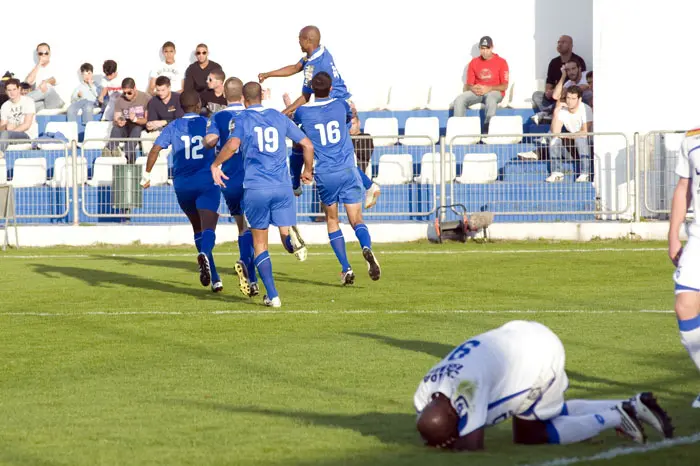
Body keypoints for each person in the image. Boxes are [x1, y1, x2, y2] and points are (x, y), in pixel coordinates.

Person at [414, 320, 674, 451]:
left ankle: (617, 416)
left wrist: (447, 443)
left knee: (531, 434)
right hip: (520, 335)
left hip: (539, 354)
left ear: (453, 412)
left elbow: (471, 444)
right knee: (551, 416)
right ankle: (629, 405)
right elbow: (431, 422)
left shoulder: (469, 390)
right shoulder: (424, 391)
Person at [211, 82, 314, 307]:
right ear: (262, 97)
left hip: (257, 187)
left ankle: (273, 296)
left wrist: (216, 164)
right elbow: (307, 144)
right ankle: (290, 240)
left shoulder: (242, 119)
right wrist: (307, 170)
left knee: (260, 245)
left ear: (245, 101)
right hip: (283, 186)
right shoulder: (278, 117)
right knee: (283, 232)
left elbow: (232, 144)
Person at [258, 25, 380, 209]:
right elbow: (296, 67)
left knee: (324, 152)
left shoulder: (314, 65)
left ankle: (368, 186)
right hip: (337, 106)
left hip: (335, 108)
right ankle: (296, 183)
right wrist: (269, 74)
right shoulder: (321, 52)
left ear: (307, 41)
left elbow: (305, 96)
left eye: (300, 38)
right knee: (302, 140)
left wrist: (285, 112)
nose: (298, 41)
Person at [293, 72, 381, 284]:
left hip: (326, 173)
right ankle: (366, 247)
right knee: (356, 220)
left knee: (333, 220)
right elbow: (349, 123)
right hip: (348, 170)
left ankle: (346, 268)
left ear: (312, 90)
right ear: (331, 88)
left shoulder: (303, 112)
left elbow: (299, 135)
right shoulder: (341, 105)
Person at [140, 90, 223, 292]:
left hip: (182, 184)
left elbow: (154, 150)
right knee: (209, 226)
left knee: (197, 228)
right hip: (205, 180)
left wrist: (147, 175)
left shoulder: (174, 125)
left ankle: (215, 279)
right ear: (198, 105)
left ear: (181, 107)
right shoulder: (208, 123)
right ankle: (204, 255)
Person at [204, 77, 258, 298]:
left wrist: (214, 142)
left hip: (229, 179)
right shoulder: (253, 115)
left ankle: (249, 272)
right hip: (254, 178)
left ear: (225, 95)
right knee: (257, 229)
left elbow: (209, 140)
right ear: (243, 96)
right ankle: (250, 272)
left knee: (241, 226)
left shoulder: (218, 116)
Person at [668, 126, 700, 408]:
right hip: (699, 237)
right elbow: (683, 188)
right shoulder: (692, 139)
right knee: (685, 305)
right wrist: (672, 235)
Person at [452, 36, 509, 132]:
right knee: (459, 99)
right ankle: (459, 133)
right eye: (482, 48)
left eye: (487, 48)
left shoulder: (502, 62)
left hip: (494, 91)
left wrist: (489, 88)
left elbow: (504, 86)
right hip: (478, 91)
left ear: (492, 47)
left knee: (491, 99)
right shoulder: (474, 62)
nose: (485, 51)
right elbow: (468, 85)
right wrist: (473, 88)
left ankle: (487, 132)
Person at [545, 86, 593, 183]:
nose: (570, 101)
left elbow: (585, 132)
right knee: (554, 139)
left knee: (580, 138)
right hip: (571, 147)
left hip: (587, 148)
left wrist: (564, 136)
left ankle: (585, 174)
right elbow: (555, 132)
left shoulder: (585, 109)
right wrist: (556, 112)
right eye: (568, 98)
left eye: (573, 98)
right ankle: (557, 173)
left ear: (579, 99)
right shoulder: (563, 110)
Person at [105, 78, 150, 162]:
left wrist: (135, 119)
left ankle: (131, 165)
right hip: (125, 125)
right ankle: (110, 150)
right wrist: (119, 121)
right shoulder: (120, 100)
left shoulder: (145, 98)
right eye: (124, 92)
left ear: (135, 88)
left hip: (139, 125)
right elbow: (116, 118)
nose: (126, 95)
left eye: (129, 92)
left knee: (135, 132)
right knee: (116, 128)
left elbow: (147, 120)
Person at [0, 78, 37, 157]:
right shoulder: (5, 106)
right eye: (9, 90)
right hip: (8, 136)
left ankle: (0, 153)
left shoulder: (28, 101)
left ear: (19, 89)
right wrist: (6, 126)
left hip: (27, 136)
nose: (12, 92)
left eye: (14, 89)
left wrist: (11, 131)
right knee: (5, 133)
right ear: (6, 91)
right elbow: (2, 127)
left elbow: (27, 125)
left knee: (6, 133)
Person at [25, 42, 65, 111]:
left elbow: (55, 79)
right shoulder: (36, 68)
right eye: (40, 53)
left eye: (46, 53)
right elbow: (28, 82)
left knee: (48, 88)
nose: (43, 55)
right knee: (27, 108)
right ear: (37, 55)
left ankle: (20, 100)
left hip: (56, 101)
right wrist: (39, 64)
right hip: (43, 102)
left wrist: (45, 82)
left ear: (50, 54)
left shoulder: (57, 66)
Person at [67, 63, 99, 135]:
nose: (87, 76)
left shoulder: (96, 84)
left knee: (88, 107)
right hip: (82, 102)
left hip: (92, 102)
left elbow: (98, 96)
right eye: (85, 74)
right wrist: (77, 96)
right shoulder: (79, 87)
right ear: (82, 75)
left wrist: (91, 85)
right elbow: (73, 100)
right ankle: (71, 130)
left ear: (92, 74)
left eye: (89, 73)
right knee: (70, 109)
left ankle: (88, 129)